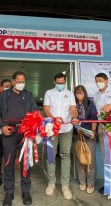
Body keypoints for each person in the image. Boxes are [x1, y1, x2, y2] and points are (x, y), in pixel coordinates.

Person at [0, 71, 38, 206]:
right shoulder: (4, 95)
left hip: (25, 133)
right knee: (8, 162)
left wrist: (31, 125)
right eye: (19, 81)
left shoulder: (28, 96)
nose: (21, 84)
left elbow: (35, 112)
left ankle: (25, 191)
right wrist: (2, 126)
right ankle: (9, 191)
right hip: (9, 132)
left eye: (23, 81)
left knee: (25, 162)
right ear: (13, 81)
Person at [44, 72, 79, 200]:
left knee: (65, 155)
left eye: (62, 83)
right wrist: (53, 119)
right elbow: (46, 109)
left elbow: (73, 108)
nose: (60, 85)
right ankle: (51, 183)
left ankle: (65, 185)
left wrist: (75, 117)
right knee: (51, 156)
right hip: (52, 128)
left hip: (66, 128)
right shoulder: (49, 93)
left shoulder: (69, 94)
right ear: (54, 81)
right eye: (58, 83)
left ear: (65, 82)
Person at [73, 85, 98, 194]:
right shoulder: (73, 105)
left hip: (88, 135)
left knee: (90, 160)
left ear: (85, 93)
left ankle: (90, 184)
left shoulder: (90, 104)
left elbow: (94, 119)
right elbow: (71, 119)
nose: (79, 95)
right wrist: (77, 128)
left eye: (81, 93)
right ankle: (82, 182)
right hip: (76, 135)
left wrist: (93, 131)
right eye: (77, 93)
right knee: (79, 159)